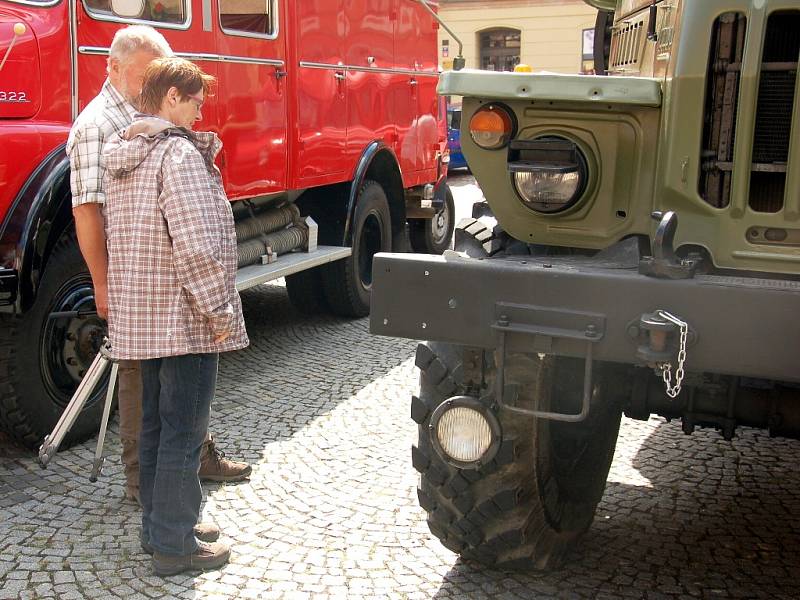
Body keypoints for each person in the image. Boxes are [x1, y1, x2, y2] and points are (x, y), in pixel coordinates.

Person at [66, 25, 251, 508]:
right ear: (113, 67)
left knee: (176, 387)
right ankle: (142, 486)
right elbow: (87, 210)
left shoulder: (143, 116)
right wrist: (102, 286)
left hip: (163, 275)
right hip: (139, 280)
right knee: (141, 386)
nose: (153, 78)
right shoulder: (97, 124)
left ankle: (190, 462)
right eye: (145, 70)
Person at [103, 56, 249, 575]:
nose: (200, 110)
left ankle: (161, 526)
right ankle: (174, 545)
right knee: (184, 429)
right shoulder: (177, 158)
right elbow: (198, 248)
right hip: (184, 318)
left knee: (155, 428)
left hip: (144, 317)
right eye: (194, 101)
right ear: (170, 98)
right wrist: (219, 312)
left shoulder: (125, 155)